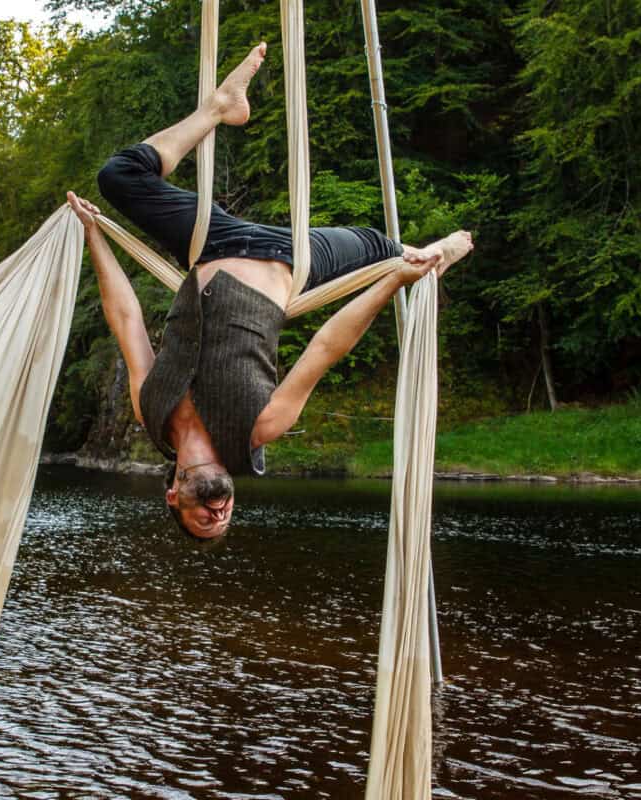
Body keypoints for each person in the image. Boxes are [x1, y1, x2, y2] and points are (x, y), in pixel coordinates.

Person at [66, 42, 473, 541]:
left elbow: (126, 320)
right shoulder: (258, 432)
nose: (217, 515)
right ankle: (432, 257)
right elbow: (326, 347)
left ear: (173, 495)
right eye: (223, 520)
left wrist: (95, 238)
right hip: (290, 260)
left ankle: (220, 106)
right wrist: (392, 282)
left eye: (202, 520)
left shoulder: (149, 412)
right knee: (383, 250)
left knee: (118, 177)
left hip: (208, 244)